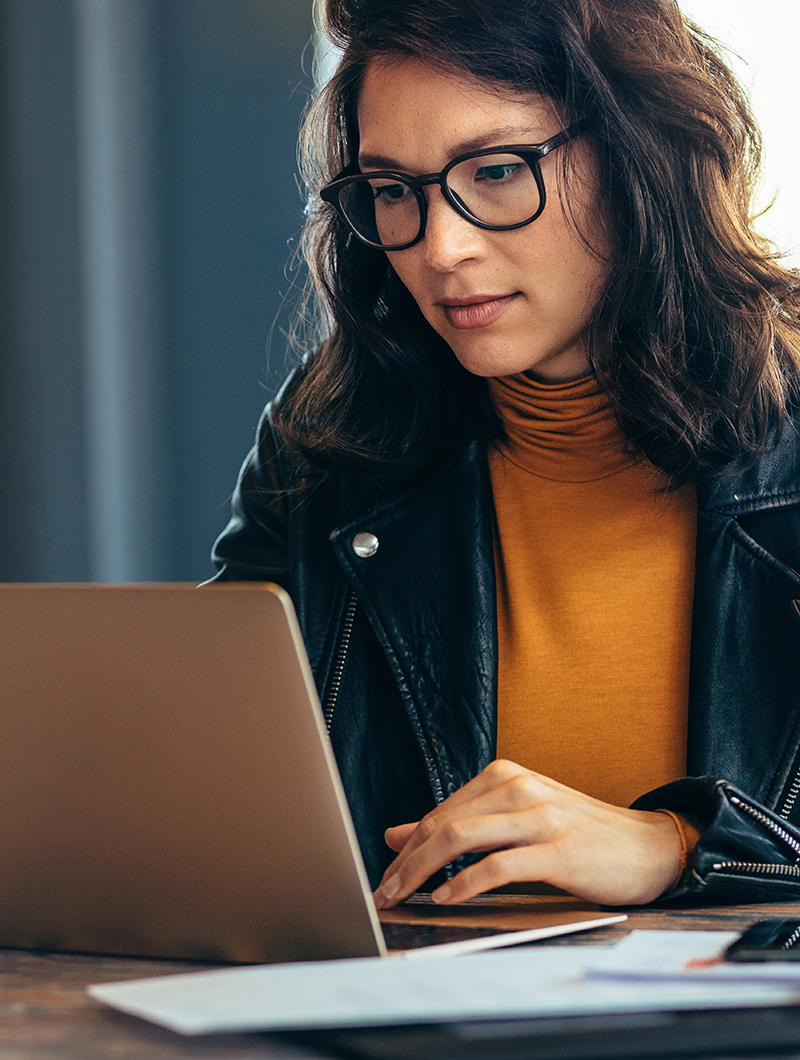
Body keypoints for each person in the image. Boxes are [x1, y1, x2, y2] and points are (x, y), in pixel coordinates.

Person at [212, 0, 800, 908]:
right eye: (394, 189)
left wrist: (678, 846)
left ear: (640, 155)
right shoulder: (327, 443)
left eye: (495, 170)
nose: (442, 248)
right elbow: (201, 794)